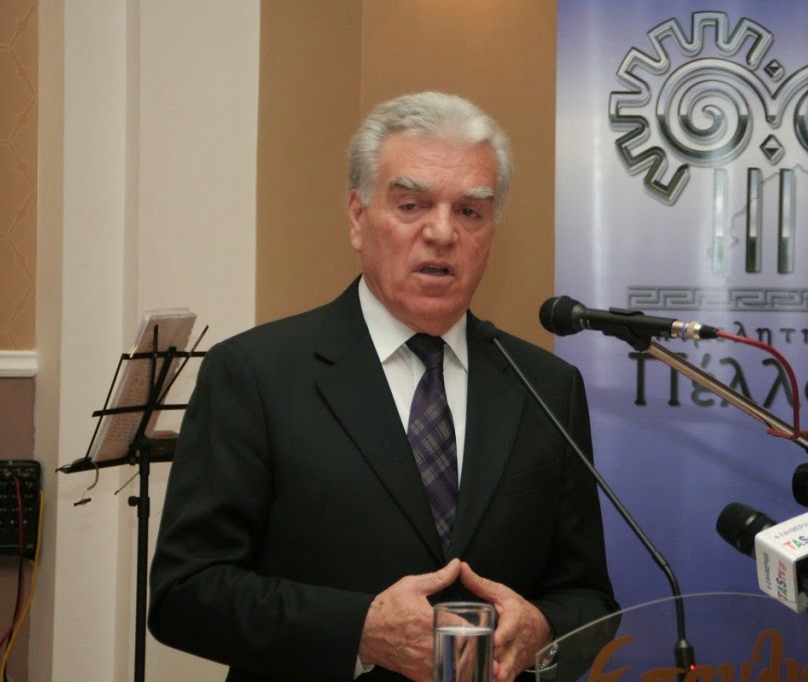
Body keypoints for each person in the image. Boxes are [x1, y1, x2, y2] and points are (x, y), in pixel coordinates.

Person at [148, 91, 618, 682]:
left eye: (469, 211)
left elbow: (588, 597)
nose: (442, 232)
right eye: (412, 205)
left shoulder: (546, 386)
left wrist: (542, 630)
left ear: (491, 229)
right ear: (357, 216)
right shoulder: (254, 373)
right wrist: (361, 630)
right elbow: (186, 593)